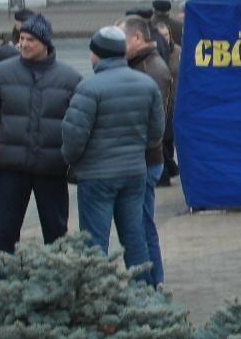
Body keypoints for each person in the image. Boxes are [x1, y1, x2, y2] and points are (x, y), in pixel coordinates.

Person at [0, 13, 82, 271]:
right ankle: (1, 292)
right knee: (4, 235)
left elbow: (79, 128)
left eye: (30, 40)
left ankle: (56, 290)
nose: (23, 44)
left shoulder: (70, 79)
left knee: (56, 234)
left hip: (51, 169)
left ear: (45, 43)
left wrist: (73, 166)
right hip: (11, 170)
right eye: (21, 38)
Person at [62, 26, 165, 282]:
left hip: (96, 177)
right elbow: (155, 134)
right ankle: (144, 296)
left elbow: (73, 137)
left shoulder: (89, 88)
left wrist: (72, 160)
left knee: (95, 243)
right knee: (135, 237)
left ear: (97, 55)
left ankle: (99, 298)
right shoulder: (146, 85)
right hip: (133, 172)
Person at [124, 16, 175, 282]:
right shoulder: (140, 65)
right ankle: (152, 281)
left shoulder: (151, 70)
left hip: (145, 159)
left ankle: (151, 283)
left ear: (137, 38)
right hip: (143, 158)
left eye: (123, 39)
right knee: (141, 224)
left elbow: (154, 124)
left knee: (141, 226)